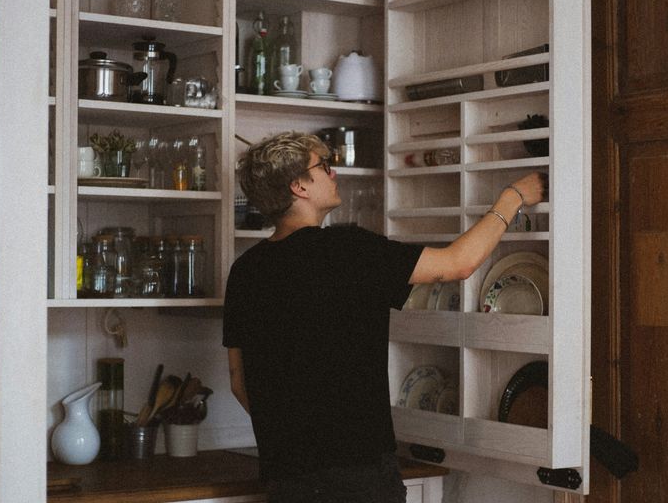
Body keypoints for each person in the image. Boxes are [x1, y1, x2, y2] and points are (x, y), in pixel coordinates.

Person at [223, 132, 545, 502]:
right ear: (299, 186)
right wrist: (513, 197)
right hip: (360, 476)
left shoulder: (245, 271)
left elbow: (238, 382)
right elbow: (459, 263)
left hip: (285, 478)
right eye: (323, 166)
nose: (334, 173)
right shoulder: (346, 250)